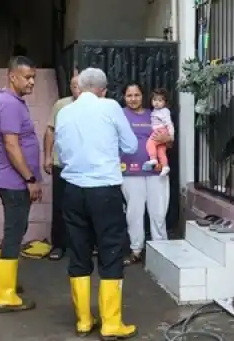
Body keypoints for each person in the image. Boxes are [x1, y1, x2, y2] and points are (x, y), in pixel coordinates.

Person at [54, 68, 139, 339]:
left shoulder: (64, 112)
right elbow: (131, 145)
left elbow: (61, 153)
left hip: (72, 190)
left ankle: (83, 320)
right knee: (110, 250)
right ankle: (111, 323)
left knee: (78, 251)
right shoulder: (110, 107)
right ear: (103, 90)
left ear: (79, 87)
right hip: (104, 190)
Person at [0, 56, 41, 313]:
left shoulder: (6, 100)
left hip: (8, 179)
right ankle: (6, 296)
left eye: (33, 77)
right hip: (14, 180)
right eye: (27, 77)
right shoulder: (9, 104)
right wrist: (30, 178)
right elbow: (11, 145)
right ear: (12, 76)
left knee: (12, 231)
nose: (32, 82)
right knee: (15, 232)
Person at [120, 83, 173, 265]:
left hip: (156, 171)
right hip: (129, 171)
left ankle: (161, 249)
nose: (133, 99)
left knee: (158, 212)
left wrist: (168, 139)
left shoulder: (156, 114)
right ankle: (136, 250)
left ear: (143, 96)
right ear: (124, 97)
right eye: (129, 95)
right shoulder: (119, 115)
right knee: (134, 213)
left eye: (137, 95)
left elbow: (169, 141)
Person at [43, 74, 80, 261]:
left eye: (80, 85)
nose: (77, 89)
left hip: (84, 166)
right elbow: (50, 130)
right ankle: (58, 245)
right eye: (74, 86)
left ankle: (83, 245)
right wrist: (47, 156)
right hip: (62, 163)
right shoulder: (61, 105)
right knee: (59, 205)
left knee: (83, 206)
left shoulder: (97, 106)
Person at [141, 88, 174, 177]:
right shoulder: (155, 111)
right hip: (160, 130)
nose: (156, 102)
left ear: (165, 102)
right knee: (161, 151)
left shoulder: (164, 111)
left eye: (160, 100)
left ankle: (153, 159)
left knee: (150, 144)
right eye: (154, 100)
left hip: (160, 130)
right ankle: (165, 166)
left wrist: (171, 136)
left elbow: (169, 123)